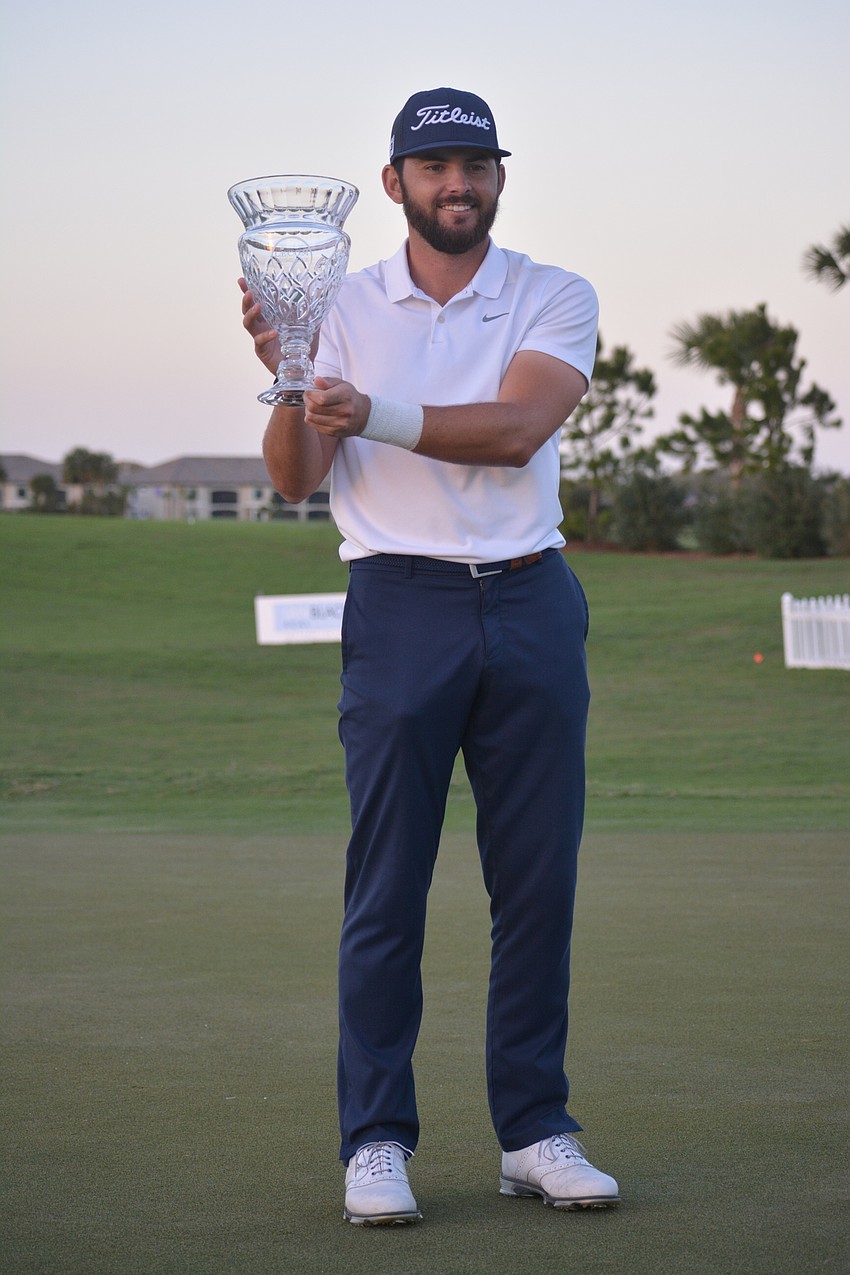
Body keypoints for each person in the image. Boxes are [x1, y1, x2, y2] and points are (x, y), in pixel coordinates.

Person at [239, 87, 620, 1225]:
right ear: (395, 182)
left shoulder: (553, 294)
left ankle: (536, 1131)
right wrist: (295, 373)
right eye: (433, 166)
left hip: (531, 598)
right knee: (387, 889)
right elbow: (295, 477)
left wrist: (374, 410)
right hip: (398, 599)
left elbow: (514, 433)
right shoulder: (342, 304)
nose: (457, 184)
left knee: (536, 885)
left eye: (475, 164)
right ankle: (376, 1142)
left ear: (498, 175)